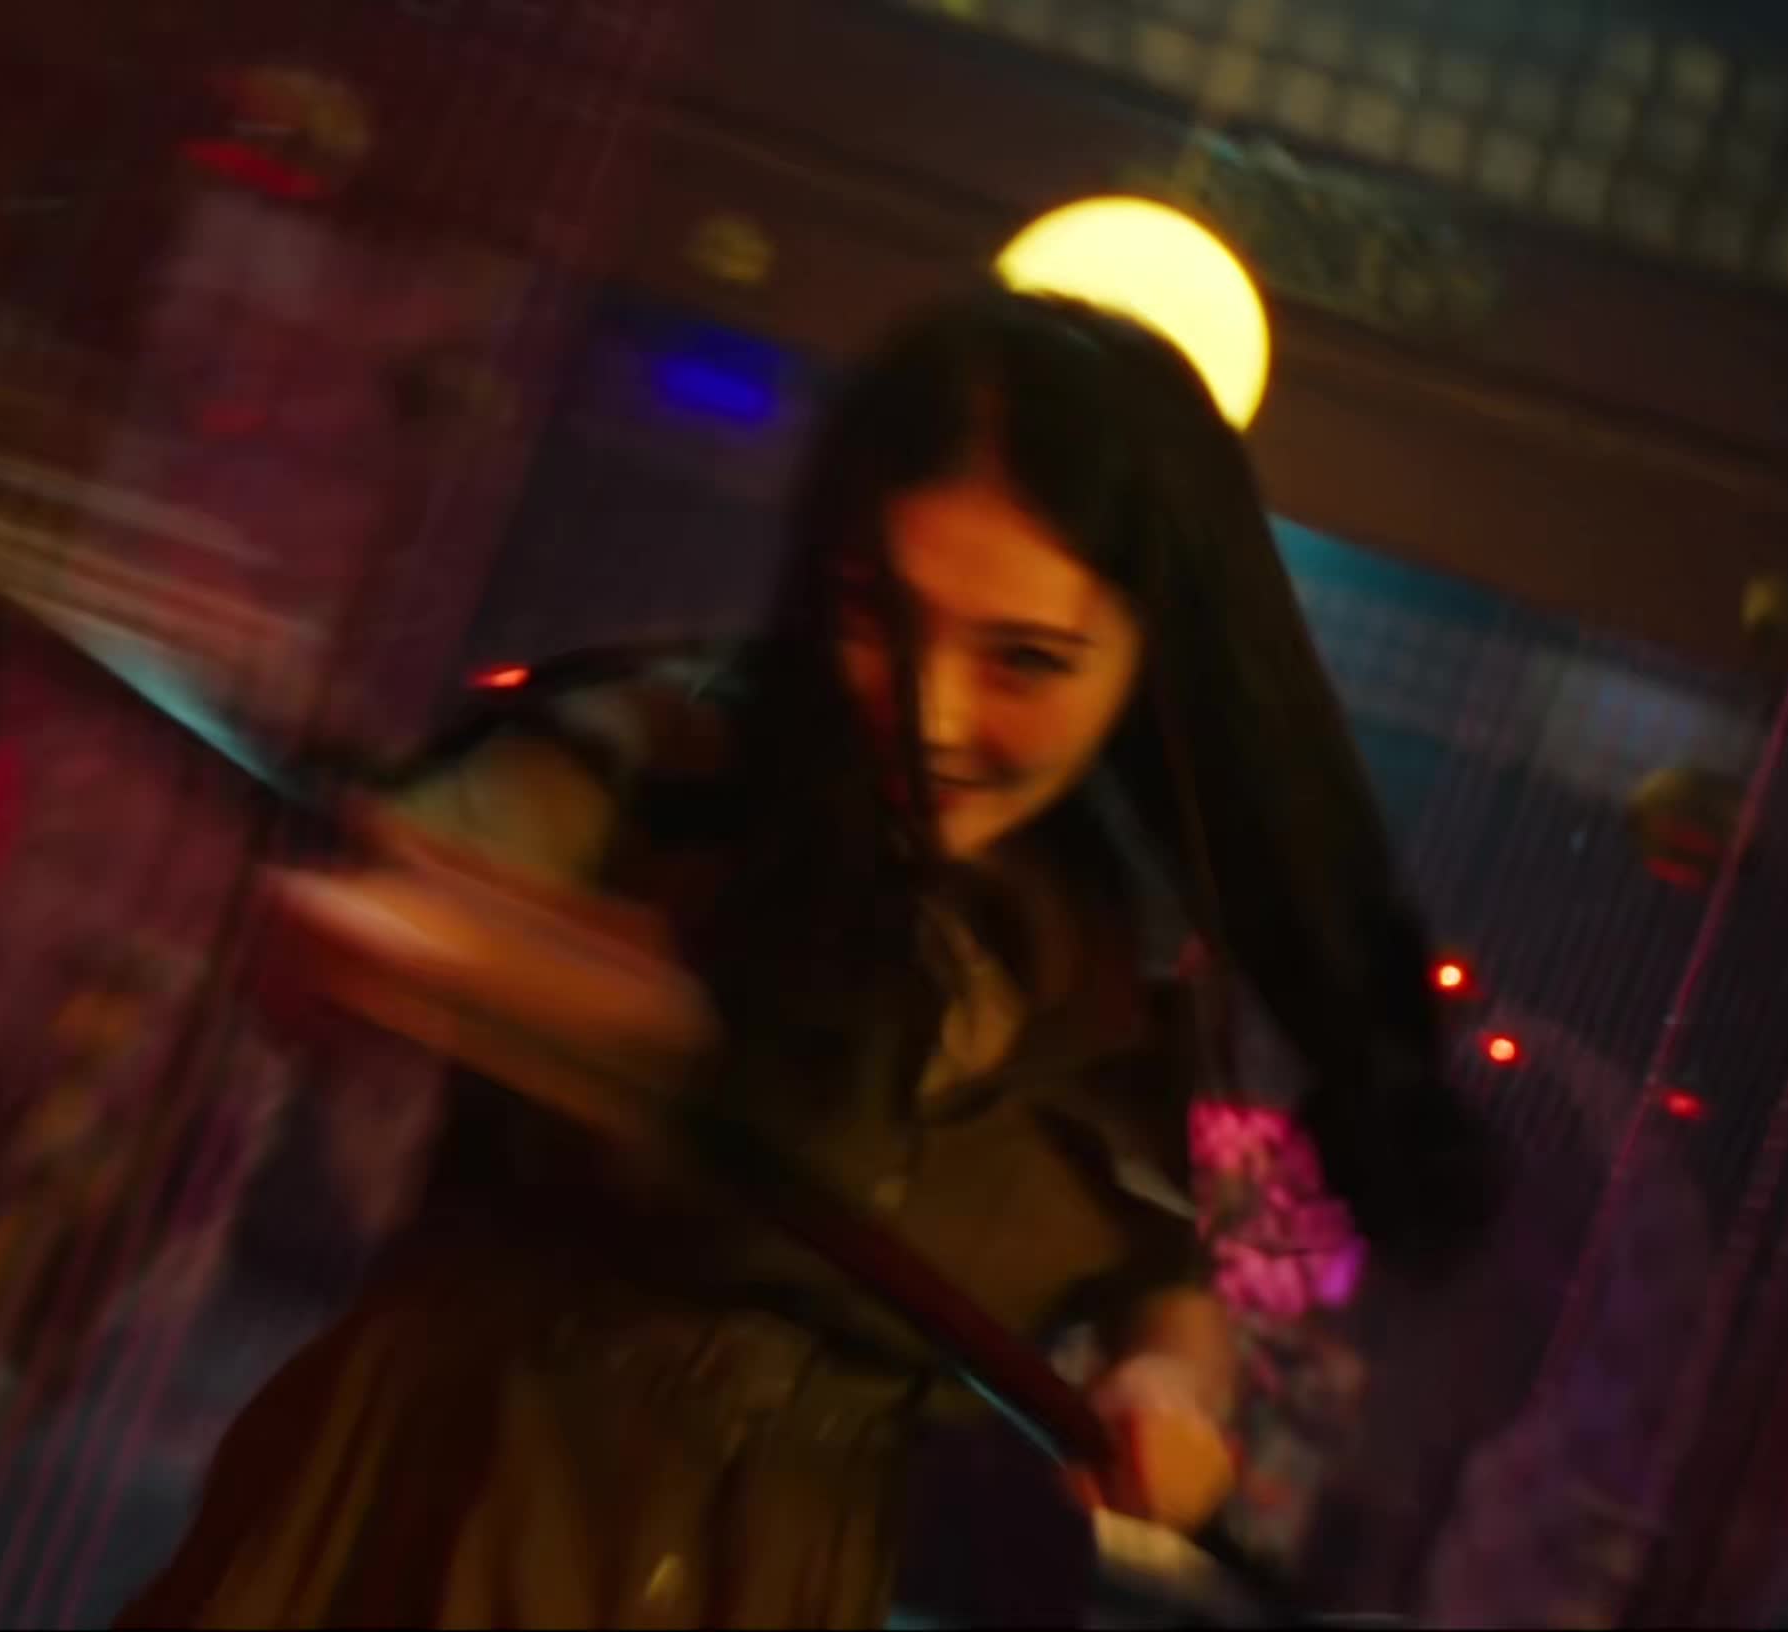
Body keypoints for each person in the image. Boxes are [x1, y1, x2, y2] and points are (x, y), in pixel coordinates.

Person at [118, 287, 1500, 1628]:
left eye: (1024, 661)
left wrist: (1171, 1392)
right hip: (425, 1551)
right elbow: (366, 912)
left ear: (1152, 656)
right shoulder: (667, 752)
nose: (927, 716)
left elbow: (1158, 1275)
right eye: (874, 615)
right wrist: (505, 969)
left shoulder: (1114, 959)